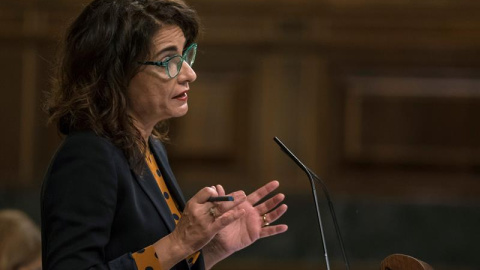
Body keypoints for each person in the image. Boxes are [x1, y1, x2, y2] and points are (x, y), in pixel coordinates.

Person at [41, 0, 288, 269]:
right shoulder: (88, 156)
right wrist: (181, 242)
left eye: (185, 56)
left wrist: (212, 248)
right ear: (116, 72)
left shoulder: (150, 147)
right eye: (169, 60)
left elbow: (156, 257)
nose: (189, 74)